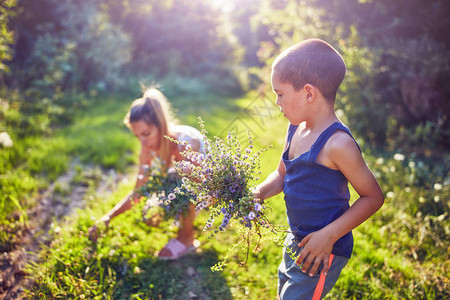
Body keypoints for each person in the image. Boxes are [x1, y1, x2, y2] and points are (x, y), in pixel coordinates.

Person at [253, 38, 384, 299]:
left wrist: (327, 236)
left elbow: (373, 197)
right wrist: (256, 194)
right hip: (297, 240)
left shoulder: (338, 144)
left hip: (324, 250)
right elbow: (281, 174)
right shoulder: (295, 129)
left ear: (309, 93)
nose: (277, 102)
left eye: (280, 94)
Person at [88, 88, 203, 260]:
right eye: (137, 136)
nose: (142, 142)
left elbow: (198, 184)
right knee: (151, 214)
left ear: (161, 125)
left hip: (209, 187)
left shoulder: (186, 143)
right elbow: (139, 192)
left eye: (146, 134)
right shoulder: (147, 148)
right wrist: (108, 217)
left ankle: (186, 238)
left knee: (184, 184)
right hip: (180, 184)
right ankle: (183, 219)